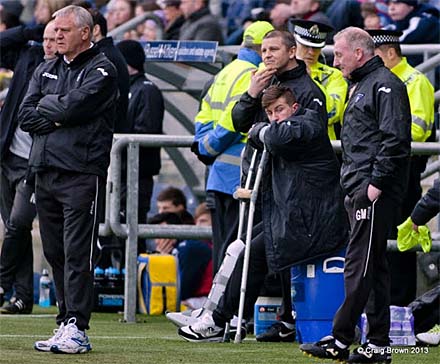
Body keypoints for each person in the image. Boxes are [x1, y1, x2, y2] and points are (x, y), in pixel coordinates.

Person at [178, 85, 347, 343]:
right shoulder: (281, 130)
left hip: (314, 221)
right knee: (239, 245)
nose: (275, 116)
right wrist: (261, 130)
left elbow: (278, 135)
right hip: (293, 217)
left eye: (279, 110)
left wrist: (259, 130)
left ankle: (219, 319)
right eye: (269, 112)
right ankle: (218, 314)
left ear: (294, 108)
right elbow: (265, 134)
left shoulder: (309, 121)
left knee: (252, 253)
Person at [300, 27, 411, 363]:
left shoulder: (384, 85)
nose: (336, 61)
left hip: (373, 190)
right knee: (373, 266)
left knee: (358, 264)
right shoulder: (363, 84)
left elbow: (395, 140)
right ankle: (377, 345)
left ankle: (340, 336)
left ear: (359, 53)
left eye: (339, 54)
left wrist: (373, 186)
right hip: (360, 186)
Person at [18, 5, 118, 354]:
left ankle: (78, 325)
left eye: (63, 31)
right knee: (54, 252)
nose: (56, 36)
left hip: (81, 172)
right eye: (54, 31)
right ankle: (64, 321)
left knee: (78, 252)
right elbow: (25, 114)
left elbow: (74, 107)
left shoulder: (103, 68)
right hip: (45, 170)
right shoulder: (46, 68)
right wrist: (57, 113)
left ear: (85, 33)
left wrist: (56, 110)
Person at [231, 29, 328, 341]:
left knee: (277, 250)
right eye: (263, 50)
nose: (267, 55)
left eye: (274, 49)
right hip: (264, 180)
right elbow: (238, 123)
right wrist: (250, 95)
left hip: (293, 184)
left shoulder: (307, 90)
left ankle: (240, 317)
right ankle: (240, 316)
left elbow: (303, 137)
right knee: (260, 248)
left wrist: (265, 133)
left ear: (292, 52)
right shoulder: (265, 83)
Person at [191, 21, 274, 275]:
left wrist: (207, 148)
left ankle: (214, 309)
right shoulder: (256, 75)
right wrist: (212, 146)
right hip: (241, 178)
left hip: (218, 175)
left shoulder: (222, 74)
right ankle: (222, 311)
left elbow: (203, 119)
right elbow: (233, 120)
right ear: (262, 49)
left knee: (223, 250)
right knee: (237, 250)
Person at [0, 1, 66, 314]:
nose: (49, 43)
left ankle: (2, 281)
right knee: (16, 229)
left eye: (56, 37)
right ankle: (22, 296)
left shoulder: (68, 69)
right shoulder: (28, 55)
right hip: (9, 152)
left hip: (35, 160)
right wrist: (32, 29)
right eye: (47, 38)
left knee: (17, 223)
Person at [367, 28, 435, 307]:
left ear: (390, 53)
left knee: (400, 239)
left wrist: (380, 136)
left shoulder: (414, 81)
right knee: (385, 238)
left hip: (404, 169)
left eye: (376, 54)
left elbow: (418, 130)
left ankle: (400, 303)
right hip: (387, 166)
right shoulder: (381, 79)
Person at [117, 39, 164, 250]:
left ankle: (133, 280)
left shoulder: (146, 90)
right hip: (119, 175)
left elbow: (146, 133)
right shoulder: (124, 88)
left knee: (132, 233)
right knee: (115, 237)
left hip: (136, 176)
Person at [289, 19, 347, 140]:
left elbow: (332, 114)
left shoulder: (334, 75)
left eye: (316, 47)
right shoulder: (277, 70)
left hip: (320, 145)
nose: (311, 52)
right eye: (305, 46)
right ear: (294, 44)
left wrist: (309, 81)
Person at [148, 211, 212, 306]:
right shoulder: (179, 249)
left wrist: (164, 262)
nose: (157, 241)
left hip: (208, 299)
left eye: (161, 235)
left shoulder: (189, 248)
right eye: (155, 236)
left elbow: (183, 291)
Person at [386, 0, 440, 66]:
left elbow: (407, 37)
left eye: (397, 3)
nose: (391, 8)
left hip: (430, 72)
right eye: (389, 4)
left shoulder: (426, 19)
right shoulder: (399, 22)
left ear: (411, 6)